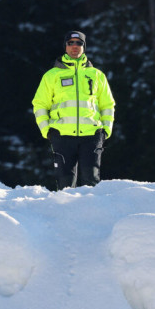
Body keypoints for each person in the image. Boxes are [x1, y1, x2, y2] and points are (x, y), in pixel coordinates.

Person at [31, 30, 116, 191]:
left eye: (79, 43)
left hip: (92, 135)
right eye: (71, 43)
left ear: (84, 47)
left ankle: (91, 209)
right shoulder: (51, 75)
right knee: (65, 186)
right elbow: (40, 104)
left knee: (91, 183)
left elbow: (108, 105)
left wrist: (106, 130)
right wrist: (46, 130)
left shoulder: (97, 75)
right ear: (65, 46)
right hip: (61, 136)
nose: (75, 46)